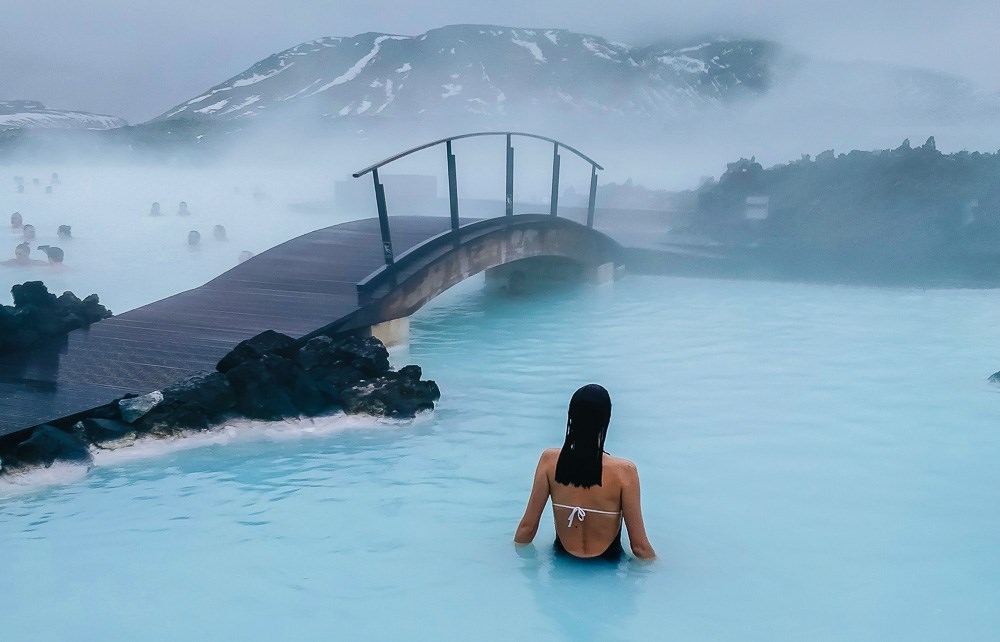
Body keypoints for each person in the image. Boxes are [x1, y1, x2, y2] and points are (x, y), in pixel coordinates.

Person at [514, 384, 656, 561]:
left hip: (562, 561)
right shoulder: (625, 472)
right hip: (607, 567)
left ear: (571, 416)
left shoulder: (549, 462)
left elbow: (527, 529)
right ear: (606, 419)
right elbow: (640, 547)